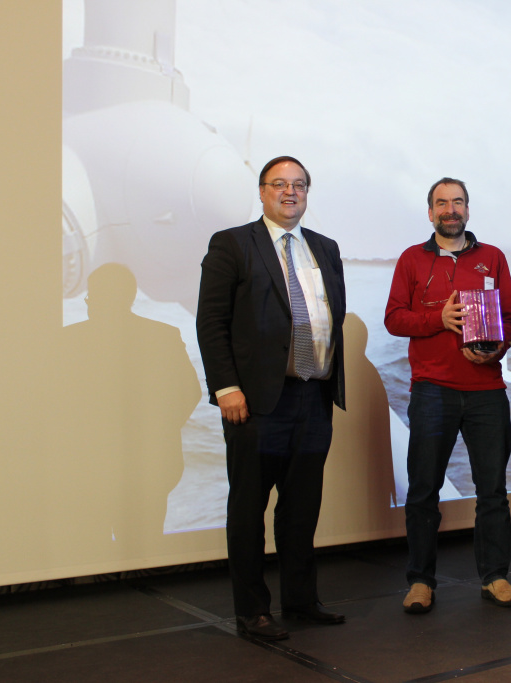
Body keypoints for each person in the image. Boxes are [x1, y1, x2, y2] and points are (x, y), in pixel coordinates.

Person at [196, 156, 346, 640]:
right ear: (261, 192)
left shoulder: (325, 248)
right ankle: (253, 611)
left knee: (301, 511)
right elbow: (211, 322)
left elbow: (330, 320)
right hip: (256, 402)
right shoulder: (233, 243)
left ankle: (301, 602)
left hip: (313, 397)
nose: (290, 192)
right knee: (248, 510)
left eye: (299, 185)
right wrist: (226, 387)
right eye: (279, 184)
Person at [385, 177, 511, 614]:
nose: (450, 210)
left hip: (487, 391)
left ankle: (496, 577)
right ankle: (421, 582)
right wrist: (437, 319)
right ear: (430, 213)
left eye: (457, 202)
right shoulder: (411, 259)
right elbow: (393, 319)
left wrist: (496, 349)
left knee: (493, 491)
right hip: (432, 391)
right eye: (441, 203)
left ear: (468, 209)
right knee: (423, 490)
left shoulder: (493, 258)